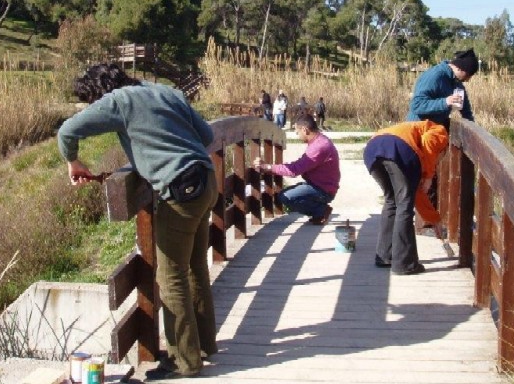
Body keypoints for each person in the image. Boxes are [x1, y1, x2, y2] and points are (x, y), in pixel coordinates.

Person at [56, 63, 218, 380]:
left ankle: (184, 362)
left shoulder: (118, 100)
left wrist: (73, 161)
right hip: (206, 181)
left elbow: (68, 131)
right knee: (195, 266)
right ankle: (203, 345)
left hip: (180, 190)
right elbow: (208, 135)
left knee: (170, 276)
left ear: (98, 94)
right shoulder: (164, 91)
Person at [363, 120, 449, 275]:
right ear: (443, 151)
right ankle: (404, 264)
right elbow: (429, 141)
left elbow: (416, 193)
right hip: (397, 149)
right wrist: (429, 175)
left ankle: (385, 256)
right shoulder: (440, 131)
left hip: (372, 149)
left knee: (392, 201)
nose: (438, 161)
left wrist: (433, 218)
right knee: (404, 205)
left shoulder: (413, 130)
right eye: (439, 159)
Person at [253, 114, 340, 225]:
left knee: (286, 197)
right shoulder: (319, 140)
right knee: (285, 194)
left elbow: (294, 170)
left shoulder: (318, 147)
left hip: (323, 190)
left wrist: (268, 167)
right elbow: (299, 165)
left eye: (297, 131)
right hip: (323, 186)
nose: (297, 134)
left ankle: (321, 211)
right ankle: (320, 210)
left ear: (305, 130)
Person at [406, 48, 479, 128]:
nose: (468, 80)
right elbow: (416, 105)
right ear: (459, 68)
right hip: (417, 130)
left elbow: (466, 112)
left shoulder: (457, 82)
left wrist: (473, 130)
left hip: (434, 131)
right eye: (468, 75)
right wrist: (445, 102)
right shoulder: (435, 76)